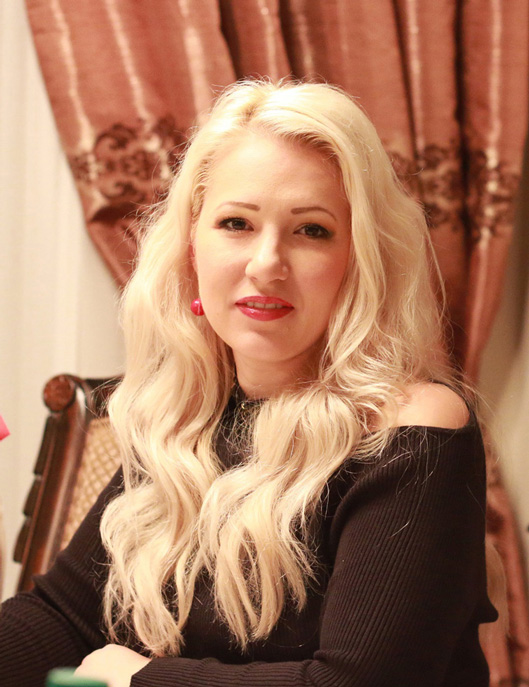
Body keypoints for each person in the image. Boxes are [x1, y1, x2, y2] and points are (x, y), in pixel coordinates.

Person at [0, 79, 497, 687]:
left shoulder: (416, 427)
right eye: (236, 223)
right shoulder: (182, 417)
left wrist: (141, 679)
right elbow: (64, 617)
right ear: (191, 249)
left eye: (311, 230)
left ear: (360, 259)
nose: (266, 263)